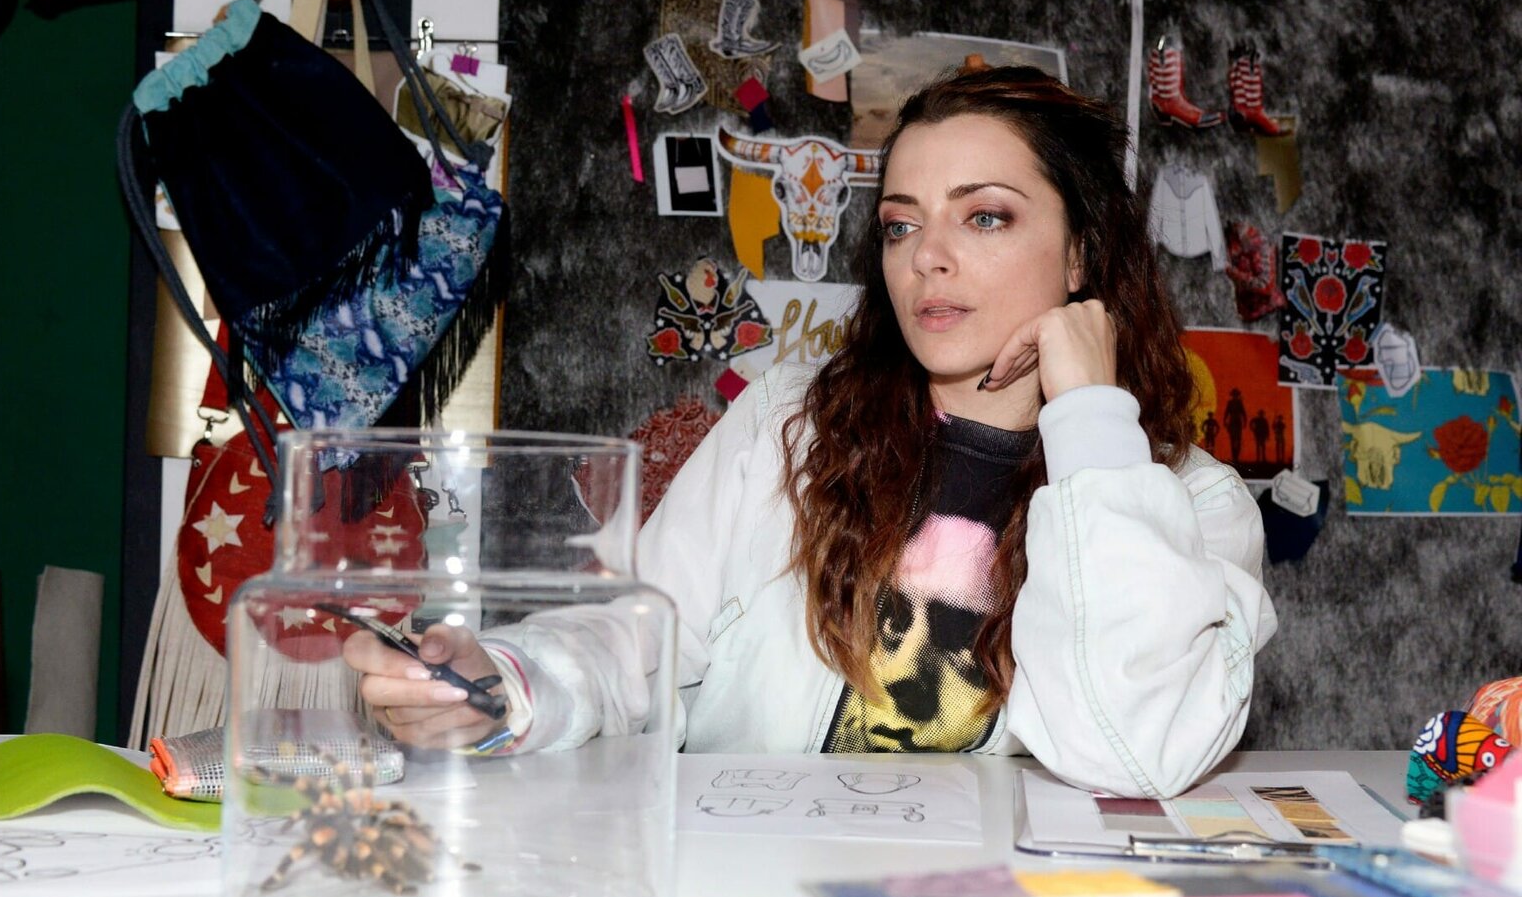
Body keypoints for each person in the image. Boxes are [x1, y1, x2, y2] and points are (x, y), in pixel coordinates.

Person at [343, 66, 1277, 798]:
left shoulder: (1192, 503)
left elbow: (1131, 747)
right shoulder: (791, 422)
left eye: (985, 216)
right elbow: (637, 635)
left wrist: (1091, 425)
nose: (929, 256)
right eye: (901, 227)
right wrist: (508, 681)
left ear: (1081, 252)